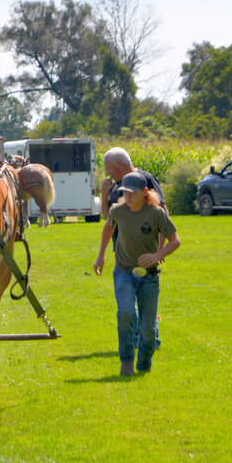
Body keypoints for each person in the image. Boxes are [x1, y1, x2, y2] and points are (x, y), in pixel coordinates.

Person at [93, 172, 180, 376]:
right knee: (126, 314)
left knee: (148, 330)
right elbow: (108, 227)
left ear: (145, 192)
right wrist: (101, 256)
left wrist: (157, 255)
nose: (128, 197)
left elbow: (175, 240)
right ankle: (126, 362)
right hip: (123, 273)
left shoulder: (156, 213)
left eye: (132, 193)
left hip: (149, 277)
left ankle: (144, 365)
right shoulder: (118, 211)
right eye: (125, 193)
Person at [100, 147, 166, 349]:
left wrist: (159, 251)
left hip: (146, 251)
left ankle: (149, 340)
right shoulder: (117, 187)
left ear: (120, 165)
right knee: (128, 300)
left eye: (109, 168)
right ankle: (141, 340)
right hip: (123, 252)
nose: (108, 172)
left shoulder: (144, 179)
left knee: (145, 298)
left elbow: (163, 211)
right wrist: (104, 194)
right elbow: (107, 218)